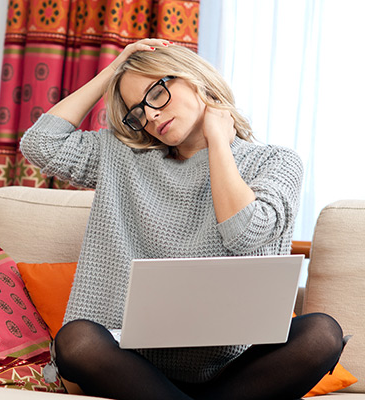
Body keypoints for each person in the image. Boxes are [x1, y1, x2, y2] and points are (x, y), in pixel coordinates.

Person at [20, 38, 346, 400]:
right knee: (76, 340)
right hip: (131, 365)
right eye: (138, 110)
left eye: (156, 93)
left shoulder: (277, 162)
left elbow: (243, 232)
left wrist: (219, 142)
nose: (151, 114)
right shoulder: (121, 155)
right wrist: (114, 71)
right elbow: (41, 144)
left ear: (194, 78)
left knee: (322, 333)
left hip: (232, 369)